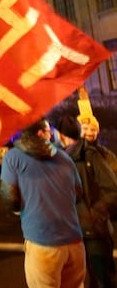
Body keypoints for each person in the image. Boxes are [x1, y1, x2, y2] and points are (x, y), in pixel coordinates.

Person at [0, 118, 85, 287]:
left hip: (43, 243)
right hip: (75, 243)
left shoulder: (13, 157)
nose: (52, 135)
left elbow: (9, 197)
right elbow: (78, 194)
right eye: (49, 131)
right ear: (40, 134)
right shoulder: (65, 158)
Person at [57, 115, 117, 288]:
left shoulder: (101, 156)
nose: (90, 132)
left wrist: (96, 214)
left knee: (102, 278)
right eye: (85, 128)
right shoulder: (62, 157)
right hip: (71, 232)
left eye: (93, 129)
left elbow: (113, 190)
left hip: (94, 230)